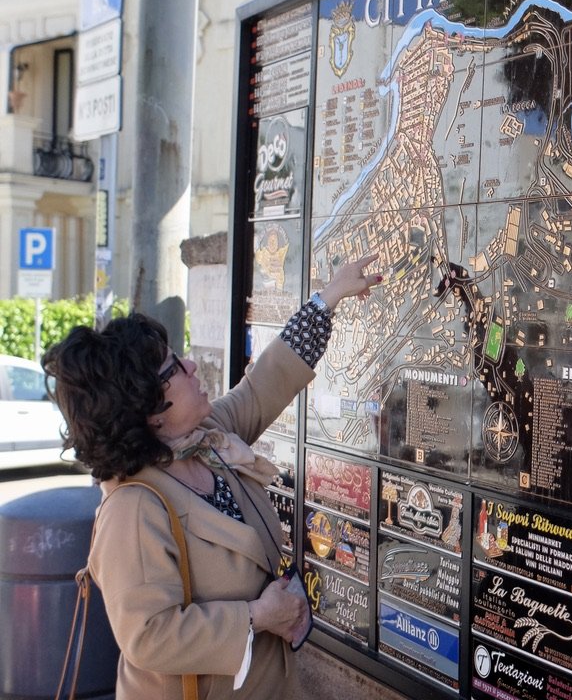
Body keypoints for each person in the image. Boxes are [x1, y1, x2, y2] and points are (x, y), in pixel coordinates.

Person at [43, 254, 380, 700]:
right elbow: (147, 636)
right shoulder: (132, 508)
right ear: (146, 410)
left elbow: (264, 384)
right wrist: (256, 616)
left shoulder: (207, 440)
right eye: (173, 369)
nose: (192, 366)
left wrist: (329, 298)